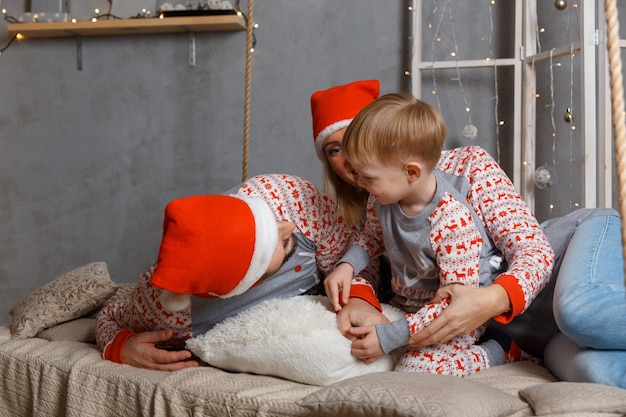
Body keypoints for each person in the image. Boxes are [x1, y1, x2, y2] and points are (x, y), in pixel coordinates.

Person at [321, 92, 554, 377]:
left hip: (455, 315)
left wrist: (390, 337)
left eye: (367, 177)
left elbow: (454, 306)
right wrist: (347, 265)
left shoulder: (451, 222)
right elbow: (370, 238)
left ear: (411, 172)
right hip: (407, 306)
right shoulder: (379, 198)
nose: (359, 184)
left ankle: (500, 350)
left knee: (414, 369)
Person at [94, 173, 381, 370]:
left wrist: (358, 296)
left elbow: (360, 250)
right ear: (246, 282)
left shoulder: (290, 200)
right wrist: (123, 347)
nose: (288, 227)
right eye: (280, 241)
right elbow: (110, 316)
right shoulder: (165, 309)